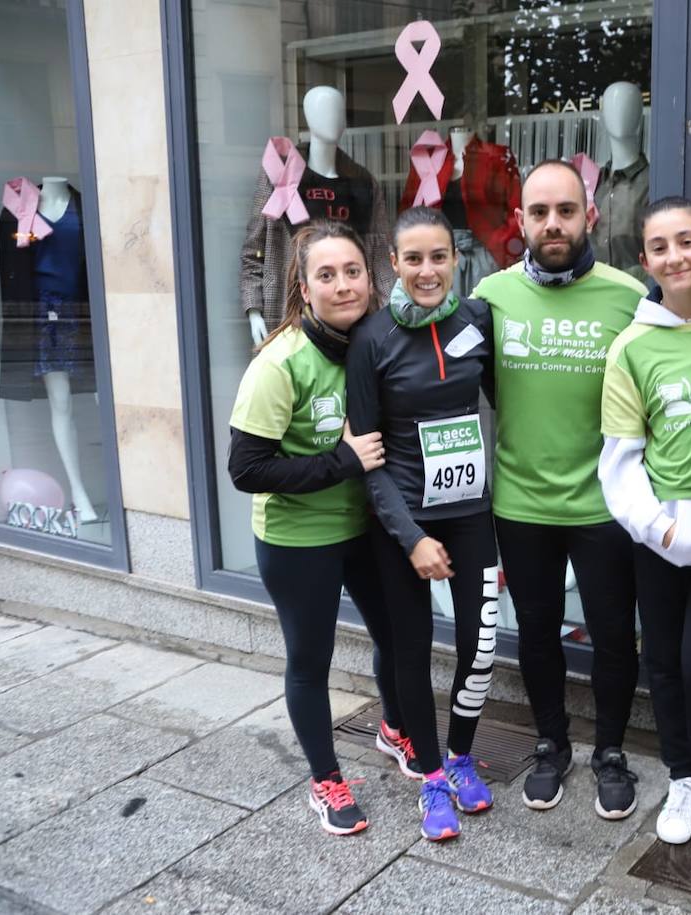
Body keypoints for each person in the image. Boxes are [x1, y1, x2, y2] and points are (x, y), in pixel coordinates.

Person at [472, 159, 645, 818]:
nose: (552, 223)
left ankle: (610, 751)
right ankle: (552, 743)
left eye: (565, 210)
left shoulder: (629, 296)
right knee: (538, 634)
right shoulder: (489, 297)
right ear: (520, 220)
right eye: (539, 211)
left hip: (603, 504)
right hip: (520, 504)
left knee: (610, 636)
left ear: (589, 215)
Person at [227, 220, 394, 836]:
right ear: (303, 286)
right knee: (310, 662)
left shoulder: (375, 342)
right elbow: (246, 469)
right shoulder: (280, 363)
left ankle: (394, 730)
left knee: (397, 639)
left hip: (366, 529)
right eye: (327, 275)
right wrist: (342, 462)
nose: (344, 285)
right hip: (298, 539)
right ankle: (324, 779)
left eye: (353, 272)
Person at [599, 197, 691, 852]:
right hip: (661, 536)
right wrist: (658, 529)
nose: (675, 257)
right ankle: (681, 774)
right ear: (645, 261)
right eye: (660, 247)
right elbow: (621, 458)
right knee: (662, 662)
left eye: (686, 241)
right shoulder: (632, 346)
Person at [345, 206, 498, 841]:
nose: (427, 270)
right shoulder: (372, 339)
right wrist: (411, 539)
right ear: (394, 265)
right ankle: (431, 776)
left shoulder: (478, 321)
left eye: (438, 257)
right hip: (402, 521)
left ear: (455, 258)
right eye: (414, 259)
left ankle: (460, 754)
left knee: (482, 645)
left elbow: (506, 412)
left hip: (472, 516)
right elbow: (366, 456)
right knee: (409, 650)